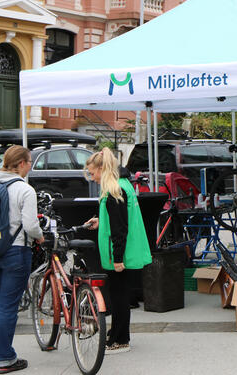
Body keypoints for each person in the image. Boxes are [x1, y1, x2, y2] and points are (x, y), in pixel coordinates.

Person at [0, 145, 44, 373]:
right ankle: (5, 358)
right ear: (22, 164)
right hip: (16, 252)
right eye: (29, 162)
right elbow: (30, 226)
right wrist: (41, 237)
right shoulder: (25, 190)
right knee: (7, 306)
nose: (30, 167)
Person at [84, 148, 151, 354]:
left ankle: (120, 339)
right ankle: (118, 335)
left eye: (93, 173)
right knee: (121, 295)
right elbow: (119, 220)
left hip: (119, 254)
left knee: (119, 297)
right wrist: (100, 221)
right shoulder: (122, 185)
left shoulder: (114, 190)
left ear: (103, 169)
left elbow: (119, 228)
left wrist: (118, 258)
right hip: (124, 251)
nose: (92, 178)